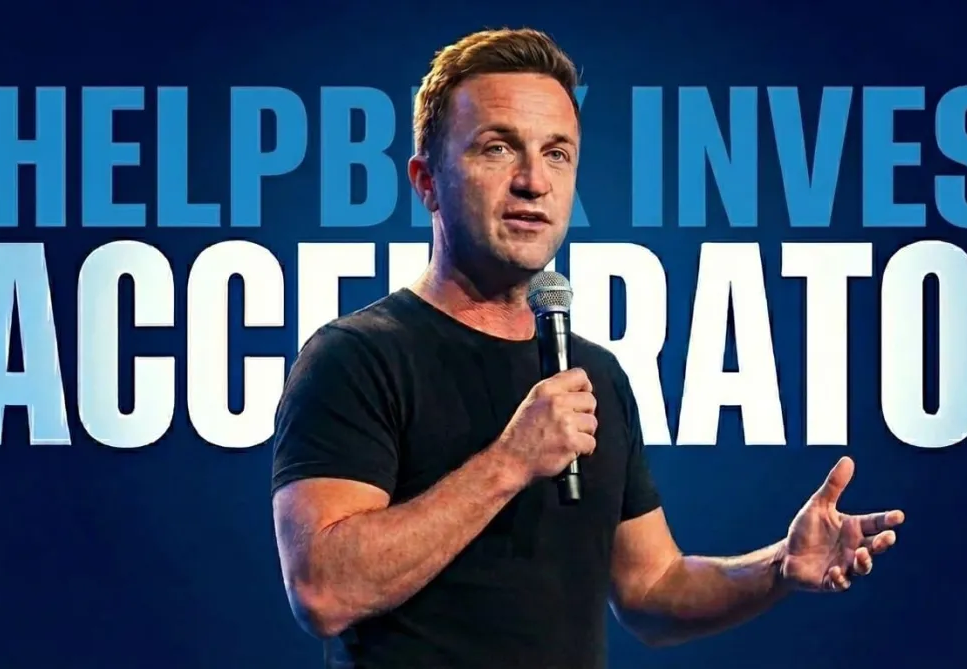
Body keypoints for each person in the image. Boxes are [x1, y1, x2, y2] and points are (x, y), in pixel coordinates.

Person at [270, 27, 905, 669]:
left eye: (557, 154)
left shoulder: (592, 373)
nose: (533, 182)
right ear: (427, 181)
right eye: (498, 148)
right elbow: (324, 591)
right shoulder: (355, 359)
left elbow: (651, 588)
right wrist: (510, 462)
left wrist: (779, 566)